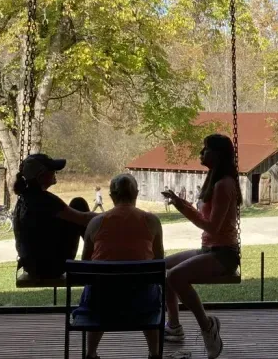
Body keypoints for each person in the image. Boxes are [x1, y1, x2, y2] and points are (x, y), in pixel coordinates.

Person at [162, 134, 240, 359]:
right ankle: (174, 327)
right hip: (209, 250)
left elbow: (212, 227)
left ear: (217, 154)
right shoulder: (214, 180)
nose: (201, 153)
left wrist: (182, 209)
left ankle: (207, 329)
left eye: (205, 149)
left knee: (175, 276)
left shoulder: (224, 184)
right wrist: (181, 202)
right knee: (162, 267)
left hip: (224, 254)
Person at [75, 174, 165, 359]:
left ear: (112, 196)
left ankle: (90, 353)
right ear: (136, 194)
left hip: (101, 303)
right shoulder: (152, 221)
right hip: (142, 304)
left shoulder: (96, 222)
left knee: (96, 290)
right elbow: (158, 262)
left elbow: (85, 265)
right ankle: (154, 353)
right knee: (150, 290)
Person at [12, 154, 96, 278]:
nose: (55, 173)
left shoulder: (25, 198)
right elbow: (83, 219)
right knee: (78, 203)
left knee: (77, 206)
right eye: (52, 170)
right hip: (51, 267)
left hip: (31, 266)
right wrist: (112, 215)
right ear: (41, 176)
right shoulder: (45, 200)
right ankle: (92, 263)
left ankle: (90, 261)